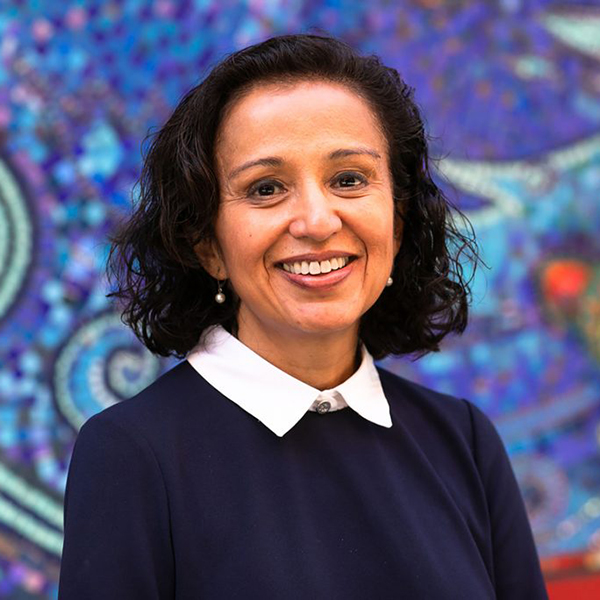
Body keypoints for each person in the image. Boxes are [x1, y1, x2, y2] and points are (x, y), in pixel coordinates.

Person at [58, 33, 548, 599]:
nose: (316, 220)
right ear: (206, 243)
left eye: (349, 179)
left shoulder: (463, 440)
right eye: (266, 188)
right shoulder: (131, 455)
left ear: (399, 215)